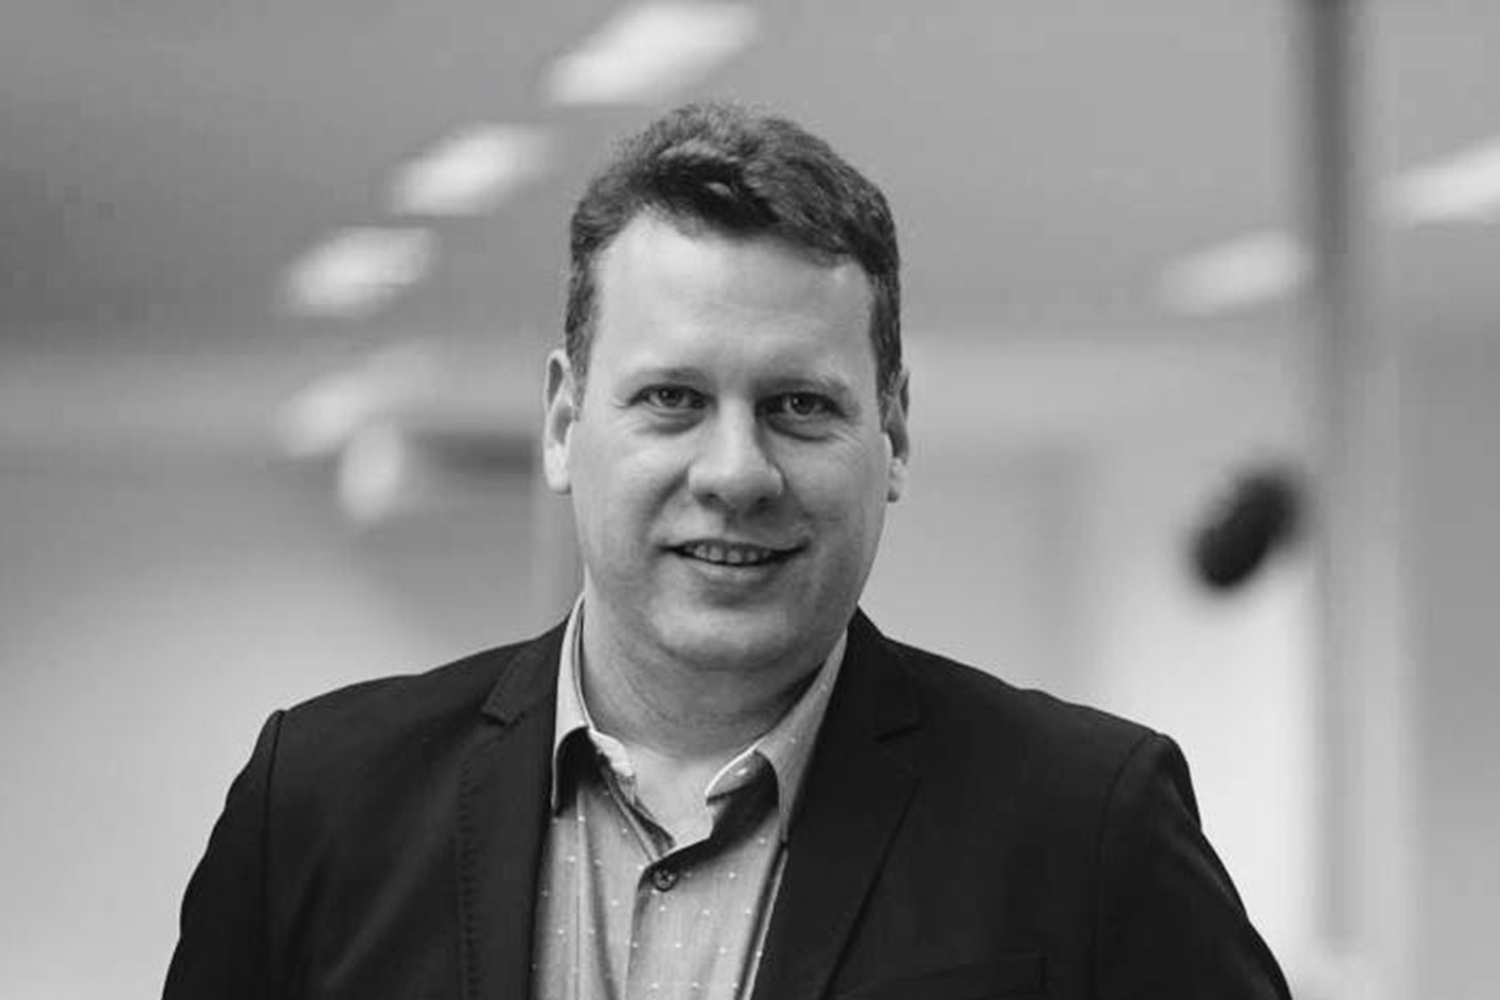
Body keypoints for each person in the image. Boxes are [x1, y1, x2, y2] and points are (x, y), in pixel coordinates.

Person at [164, 103, 1292, 1000]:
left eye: (800, 404)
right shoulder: (317, 808)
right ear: (563, 423)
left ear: (894, 435)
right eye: (672, 398)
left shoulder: (1086, 826)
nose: (737, 472)